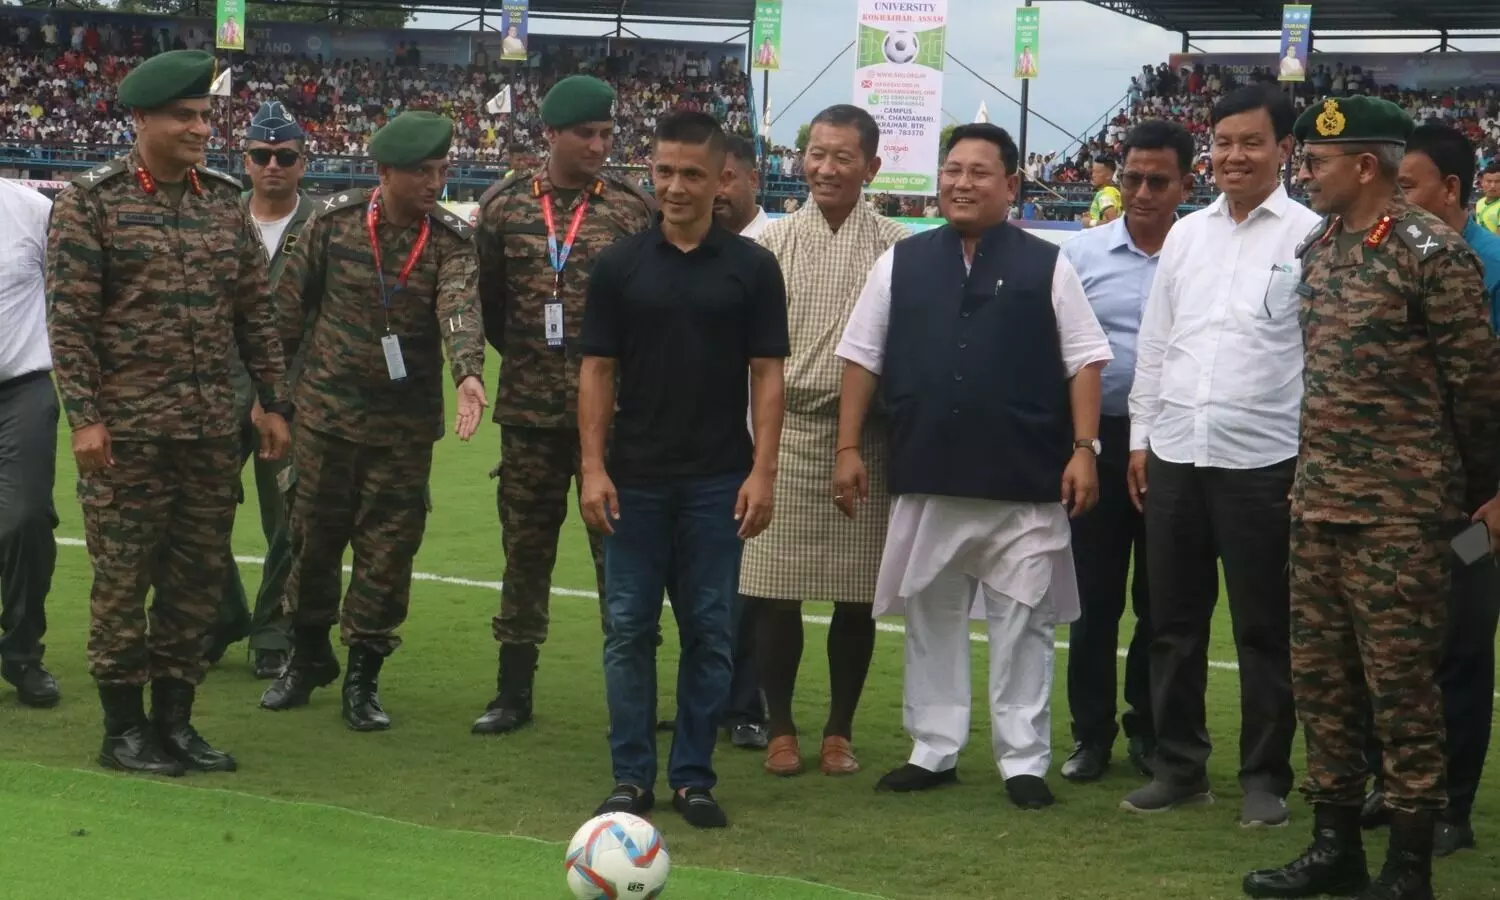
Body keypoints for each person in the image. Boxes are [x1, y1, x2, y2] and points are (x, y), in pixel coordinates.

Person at [1243, 95, 1500, 900]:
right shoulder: (1320, 249)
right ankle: (1336, 847)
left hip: (1403, 514)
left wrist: (1481, 494)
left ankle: (1409, 864)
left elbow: (1477, 389)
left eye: (1317, 162)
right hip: (1320, 504)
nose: (1304, 174)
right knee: (1323, 686)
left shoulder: (1432, 254)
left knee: (1403, 692)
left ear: (1364, 166)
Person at [833, 123, 1111, 811]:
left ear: (1011, 184)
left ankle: (1023, 760)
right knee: (931, 612)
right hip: (928, 469)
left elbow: (1084, 360)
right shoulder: (901, 262)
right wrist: (847, 448)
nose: (961, 183)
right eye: (952, 169)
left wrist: (1084, 450)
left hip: (1025, 478)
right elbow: (861, 356)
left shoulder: (1048, 263)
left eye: (979, 172)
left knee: (1024, 619)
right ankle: (933, 748)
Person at [46, 49, 293, 775]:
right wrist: (85, 417)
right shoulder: (92, 202)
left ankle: (176, 722)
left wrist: (272, 402)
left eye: (205, 116)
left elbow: (254, 314)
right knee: (123, 582)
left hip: (210, 430)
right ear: (142, 119)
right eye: (184, 116)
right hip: (126, 435)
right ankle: (123, 730)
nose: (200, 129)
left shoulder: (222, 200)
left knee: (194, 583)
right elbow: (71, 323)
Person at [578, 111, 789, 829]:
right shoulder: (620, 265)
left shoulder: (752, 268)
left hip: (717, 482)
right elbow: (597, 370)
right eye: (664, 171)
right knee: (627, 631)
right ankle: (631, 777)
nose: (674, 186)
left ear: (721, 177)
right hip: (633, 481)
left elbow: (767, 375)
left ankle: (693, 777)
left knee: (710, 634)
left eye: (691, 174)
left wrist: (763, 472)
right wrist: (593, 468)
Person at [1124, 84, 1319, 825]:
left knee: (1265, 628)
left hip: (1265, 461)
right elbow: (1157, 343)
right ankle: (1179, 767)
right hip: (1176, 451)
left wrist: (1309, 460)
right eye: (1223, 142)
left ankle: (1265, 779)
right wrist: (1141, 439)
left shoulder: (1309, 235)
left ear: (1284, 150)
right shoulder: (1186, 235)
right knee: (1172, 623)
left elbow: (1320, 357)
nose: (1234, 156)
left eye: (1251, 142)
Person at [261, 111, 488, 732]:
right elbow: (285, 312)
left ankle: (362, 677)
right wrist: (271, 397)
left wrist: (468, 372)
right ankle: (307, 657)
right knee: (310, 543)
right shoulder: (333, 224)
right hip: (325, 418)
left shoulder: (449, 241)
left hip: (402, 432)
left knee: (387, 555)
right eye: (421, 172)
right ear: (384, 172)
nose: (434, 183)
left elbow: (459, 309)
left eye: (441, 170)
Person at [471, 75, 656, 736]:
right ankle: (512, 691)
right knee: (524, 553)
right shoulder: (504, 207)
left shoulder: (633, 209)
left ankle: (633, 696)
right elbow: (490, 305)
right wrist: (535, 362)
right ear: (549, 134)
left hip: (613, 421)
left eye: (606, 134)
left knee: (622, 561)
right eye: (585, 134)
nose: (599, 146)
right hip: (530, 418)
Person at [739, 105, 910, 777]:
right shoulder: (772, 244)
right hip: (784, 433)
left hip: (866, 438)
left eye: (843, 157)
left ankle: (839, 729)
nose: (826, 168)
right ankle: (780, 726)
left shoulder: (898, 246)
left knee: (856, 596)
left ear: (872, 166)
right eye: (816, 153)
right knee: (774, 592)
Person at [1375, 122, 1500, 857]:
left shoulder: (1493, 268)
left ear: (1451, 190)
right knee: (1393, 647)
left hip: (1472, 507)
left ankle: (1450, 804)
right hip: (1398, 497)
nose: (1395, 203)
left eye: (1408, 188)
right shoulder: (1395, 259)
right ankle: (1397, 788)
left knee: (1459, 643)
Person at [1056, 119, 1194, 783]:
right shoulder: (1079, 255)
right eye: (1133, 177)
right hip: (1098, 443)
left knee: (1162, 601)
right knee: (1093, 600)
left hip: (1175, 446)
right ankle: (1090, 736)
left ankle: (1148, 728)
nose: (1142, 192)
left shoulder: (1199, 255)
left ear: (1186, 185)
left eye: (1158, 181)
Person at [206, 99, 316, 678]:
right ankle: (223, 613)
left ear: (303, 163)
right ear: (245, 161)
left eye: (285, 156)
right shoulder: (217, 217)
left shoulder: (323, 223)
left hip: (294, 391)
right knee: (195, 508)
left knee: (290, 517)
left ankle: (273, 631)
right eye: (261, 154)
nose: (273, 164)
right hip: (218, 383)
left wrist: (278, 392)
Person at [705, 133, 773, 750]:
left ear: (753, 179)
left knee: (751, 586)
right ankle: (705, 700)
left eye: (727, 177)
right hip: (696, 444)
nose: (717, 190)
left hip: (759, 444)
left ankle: (747, 705)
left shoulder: (776, 248)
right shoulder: (687, 247)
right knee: (702, 586)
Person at [0, 178, 60, 711]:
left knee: (26, 517)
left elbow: (74, 294)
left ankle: (22, 654)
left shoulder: (33, 210)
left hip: (21, 386)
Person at [1083, 156, 1121, 228]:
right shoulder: (1115, 192)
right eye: (1093, 171)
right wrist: (1091, 216)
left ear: (1109, 175)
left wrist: (1089, 222)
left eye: (1097, 172)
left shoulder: (1104, 194)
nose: (1093, 175)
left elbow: (1113, 223)